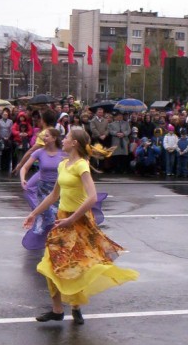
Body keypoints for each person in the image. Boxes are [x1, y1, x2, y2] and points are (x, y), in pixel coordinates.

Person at [24, 129, 138, 325]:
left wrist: (71, 219)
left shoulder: (81, 165)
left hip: (79, 221)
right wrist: (33, 214)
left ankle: (75, 306)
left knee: (77, 265)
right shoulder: (62, 165)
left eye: (66, 138)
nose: (64, 140)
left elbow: (92, 197)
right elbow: (53, 196)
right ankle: (57, 310)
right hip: (62, 220)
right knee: (50, 263)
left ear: (74, 143)